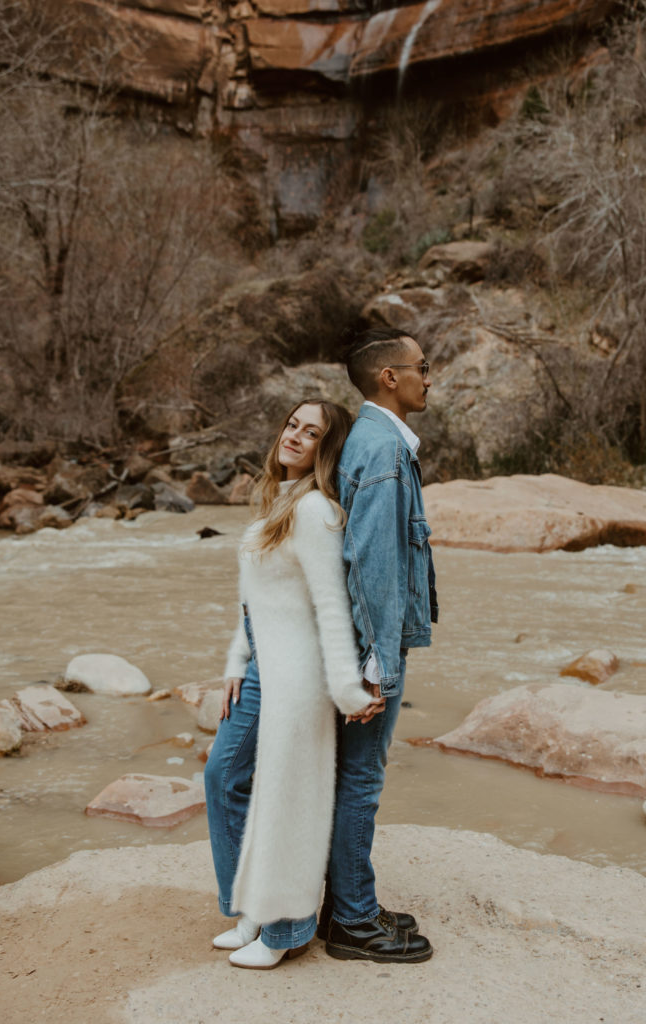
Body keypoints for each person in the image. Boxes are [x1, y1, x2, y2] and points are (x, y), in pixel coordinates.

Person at [204, 399, 377, 970]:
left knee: (286, 797)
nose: (296, 437)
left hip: (298, 677)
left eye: (313, 433)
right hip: (261, 671)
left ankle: (287, 931)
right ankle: (252, 907)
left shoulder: (316, 513)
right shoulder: (276, 504)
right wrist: (235, 661)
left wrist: (348, 691)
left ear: (327, 450)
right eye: (292, 425)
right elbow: (255, 602)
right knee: (224, 777)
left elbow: (332, 608)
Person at [320, 327, 439, 964]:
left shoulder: (373, 442)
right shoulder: (382, 450)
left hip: (367, 640)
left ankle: (347, 903)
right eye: (422, 366)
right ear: (389, 377)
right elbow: (371, 561)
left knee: (351, 776)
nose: (430, 375)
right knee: (361, 779)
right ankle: (353, 923)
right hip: (372, 646)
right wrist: (377, 665)